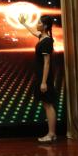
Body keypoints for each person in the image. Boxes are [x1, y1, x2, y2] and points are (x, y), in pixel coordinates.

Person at [26, 15, 59, 143]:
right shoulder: (42, 37)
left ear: (45, 26)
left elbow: (47, 63)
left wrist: (44, 82)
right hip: (41, 76)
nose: (37, 24)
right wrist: (24, 24)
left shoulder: (47, 42)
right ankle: (52, 134)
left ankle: (51, 134)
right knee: (46, 104)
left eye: (39, 23)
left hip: (45, 78)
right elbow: (34, 32)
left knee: (48, 105)